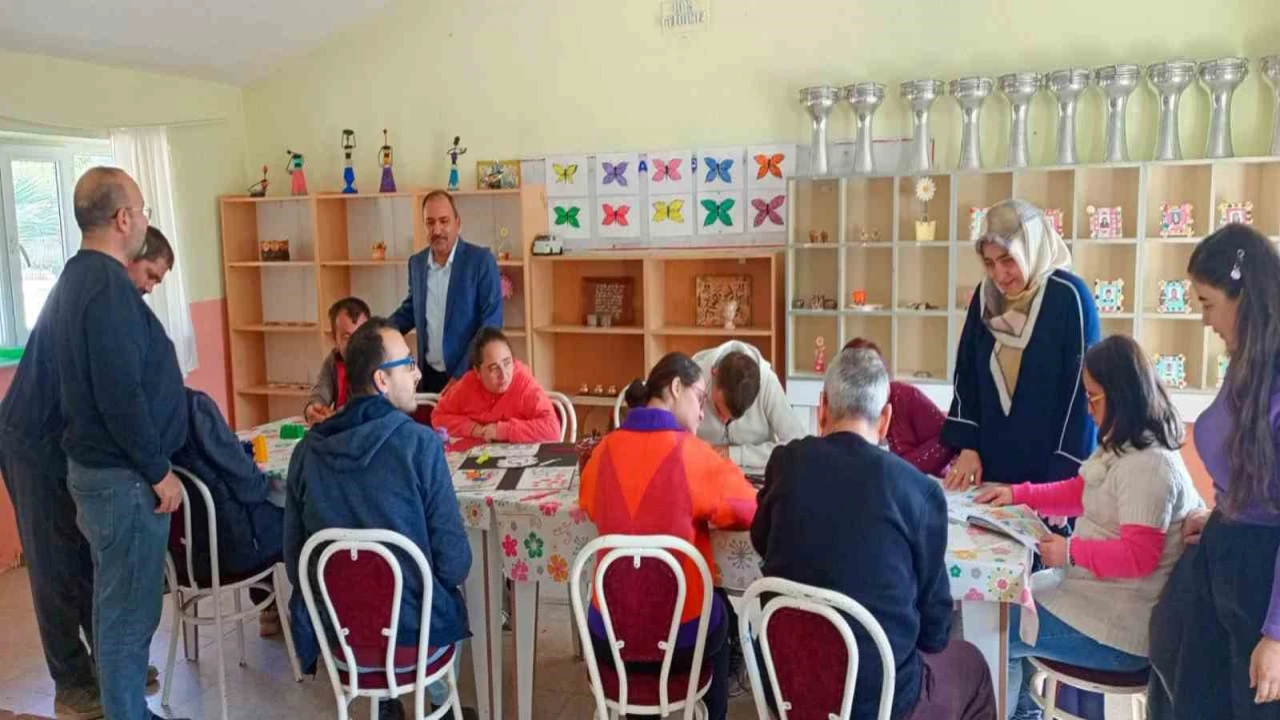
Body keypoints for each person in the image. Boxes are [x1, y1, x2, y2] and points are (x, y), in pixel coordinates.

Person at [754, 347, 996, 719]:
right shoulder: (918, 491)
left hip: (786, 687)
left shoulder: (785, 463)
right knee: (972, 665)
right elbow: (935, 632)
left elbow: (760, 541)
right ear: (885, 419)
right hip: (879, 703)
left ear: (822, 408)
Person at [975, 335, 1203, 719]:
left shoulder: (1149, 466)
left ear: (1121, 395)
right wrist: (1018, 494)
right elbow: (1081, 491)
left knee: (994, 633)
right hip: (1096, 602)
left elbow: (1139, 556)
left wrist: (1069, 552)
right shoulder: (1126, 444)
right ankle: (1023, 713)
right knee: (1004, 610)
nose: (1088, 407)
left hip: (1119, 632)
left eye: (1093, 397)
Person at [0, 223, 176, 718]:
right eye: (150, 274)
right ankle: (72, 682)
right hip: (31, 440)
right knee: (53, 564)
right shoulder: (97, 294)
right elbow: (116, 394)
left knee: (87, 559)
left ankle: (110, 665)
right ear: (129, 255)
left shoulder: (109, 296)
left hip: (67, 444)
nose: (149, 287)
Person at [46, 167, 189, 720]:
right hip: (123, 481)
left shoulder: (78, 276)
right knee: (128, 615)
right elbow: (120, 395)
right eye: (145, 209)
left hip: (103, 475)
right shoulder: (105, 288)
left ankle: (127, 708)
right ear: (124, 218)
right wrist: (159, 471)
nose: (147, 219)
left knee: (116, 609)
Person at [284, 318, 473, 720]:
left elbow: (296, 561)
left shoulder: (306, 452)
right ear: (382, 380)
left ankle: (384, 705)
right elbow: (455, 563)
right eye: (408, 364)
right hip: (412, 640)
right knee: (443, 589)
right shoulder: (419, 445)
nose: (418, 373)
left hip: (341, 643)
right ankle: (440, 707)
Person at [578, 352, 757, 720]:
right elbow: (749, 508)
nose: (702, 414)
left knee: (644, 602)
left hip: (608, 637)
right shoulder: (694, 455)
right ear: (676, 387)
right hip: (678, 641)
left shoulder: (603, 451)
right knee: (721, 612)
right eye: (700, 399)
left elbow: (589, 503)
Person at [1147, 224, 1280, 719]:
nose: (1204, 319)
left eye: (1207, 303)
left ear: (1244, 297)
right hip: (1227, 554)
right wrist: (1226, 511)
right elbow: (1248, 468)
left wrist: (1276, 635)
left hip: (1264, 583)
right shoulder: (1245, 364)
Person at [943, 198, 1100, 492]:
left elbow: (1080, 395)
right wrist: (968, 446)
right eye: (989, 263)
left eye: (1008, 260)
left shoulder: (1069, 297)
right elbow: (966, 373)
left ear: (1032, 248)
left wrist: (1060, 480)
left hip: (1049, 473)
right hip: (989, 468)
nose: (999, 275)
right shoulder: (986, 297)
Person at [171, 387, 285, 636]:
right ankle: (312, 618)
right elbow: (251, 486)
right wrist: (259, 476)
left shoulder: (141, 413)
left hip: (182, 557)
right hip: (230, 551)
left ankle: (269, 610)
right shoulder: (195, 406)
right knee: (296, 515)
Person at [390, 190, 503, 393]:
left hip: (470, 376)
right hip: (428, 378)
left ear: (458, 223)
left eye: (444, 221)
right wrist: (374, 333)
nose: (437, 230)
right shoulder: (417, 263)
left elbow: (491, 325)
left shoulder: (480, 262)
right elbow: (411, 311)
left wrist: (460, 376)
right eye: (430, 222)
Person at [843, 337, 957, 476]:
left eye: (875, 371)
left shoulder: (903, 396)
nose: (869, 378)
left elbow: (949, 436)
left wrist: (899, 468)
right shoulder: (842, 405)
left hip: (923, 482)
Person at [691, 340, 805, 475]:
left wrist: (737, 454)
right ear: (714, 373)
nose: (723, 420)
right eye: (718, 409)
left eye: (733, 419)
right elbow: (676, 438)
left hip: (758, 479)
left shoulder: (768, 383)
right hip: (704, 474)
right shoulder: (693, 381)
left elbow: (797, 445)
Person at [430, 326, 560, 443]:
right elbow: (438, 416)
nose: (503, 375)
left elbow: (552, 429)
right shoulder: (468, 384)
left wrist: (502, 430)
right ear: (477, 372)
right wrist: (473, 429)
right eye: (493, 368)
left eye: (507, 363)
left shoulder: (524, 384)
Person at [304, 296, 370, 424]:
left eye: (361, 335)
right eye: (346, 337)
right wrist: (312, 409)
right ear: (335, 339)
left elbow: (365, 407)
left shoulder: (377, 362)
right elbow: (321, 392)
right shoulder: (333, 361)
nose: (355, 343)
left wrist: (336, 416)